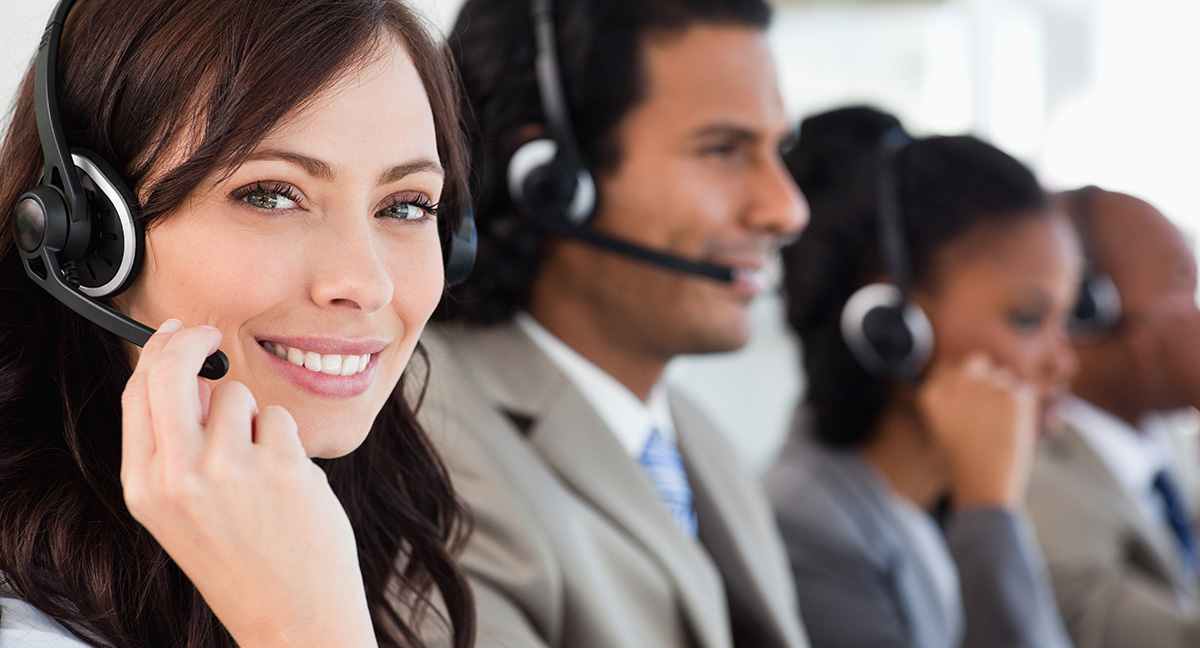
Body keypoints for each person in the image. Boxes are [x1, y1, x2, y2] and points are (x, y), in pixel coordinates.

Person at [0, 0, 474, 646]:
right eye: (270, 195)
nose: (366, 285)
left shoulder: (363, 556)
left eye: (406, 206)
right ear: (85, 233)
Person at [416, 0, 810, 646]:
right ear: (547, 178)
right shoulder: (432, 449)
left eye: (776, 150)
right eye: (723, 150)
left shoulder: (696, 438)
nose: (786, 209)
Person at [765, 106, 1076, 648]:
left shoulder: (925, 508)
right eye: (1027, 319)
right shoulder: (806, 535)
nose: (1062, 362)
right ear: (892, 324)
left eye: (1066, 320)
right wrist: (990, 513)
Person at [1026, 187, 1200, 648]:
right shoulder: (1034, 478)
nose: (1197, 313)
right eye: (1180, 283)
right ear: (1089, 304)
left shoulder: (1166, 442)